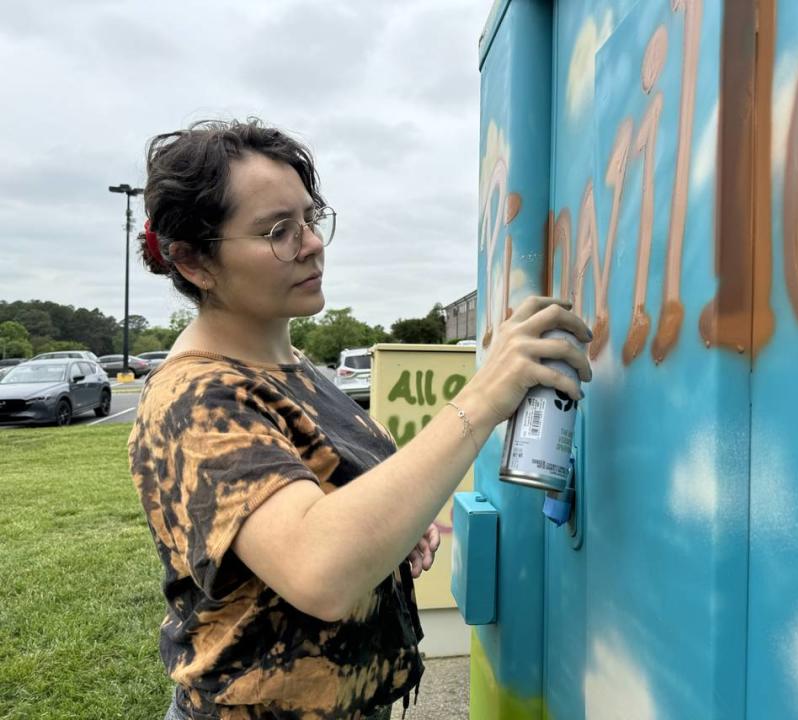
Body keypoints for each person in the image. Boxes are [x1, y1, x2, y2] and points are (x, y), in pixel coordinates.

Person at [129, 118, 592, 720]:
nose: (312, 243)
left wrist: (394, 533)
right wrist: (485, 395)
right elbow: (318, 569)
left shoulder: (295, 367)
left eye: (310, 219)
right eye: (277, 231)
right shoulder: (194, 398)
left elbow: (332, 507)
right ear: (194, 262)